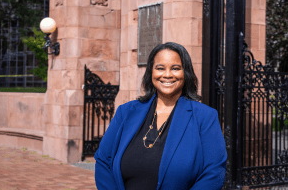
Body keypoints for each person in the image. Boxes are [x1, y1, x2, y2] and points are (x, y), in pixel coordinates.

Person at [94, 42, 227, 190]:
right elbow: (103, 161)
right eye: (160, 68)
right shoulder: (126, 112)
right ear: (151, 72)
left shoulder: (205, 116)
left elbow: (214, 171)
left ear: (186, 73)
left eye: (175, 68)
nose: (167, 74)